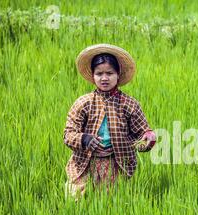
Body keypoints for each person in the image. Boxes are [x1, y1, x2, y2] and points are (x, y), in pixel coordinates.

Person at [64, 44, 156, 198]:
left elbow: (142, 130)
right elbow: (68, 134)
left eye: (110, 73)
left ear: (118, 74)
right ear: (93, 75)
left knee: (112, 199)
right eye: (99, 73)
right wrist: (85, 139)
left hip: (115, 161)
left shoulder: (129, 104)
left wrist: (149, 137)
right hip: (86, 161)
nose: (104, 78)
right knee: (77, 198)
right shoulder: (83, 103)